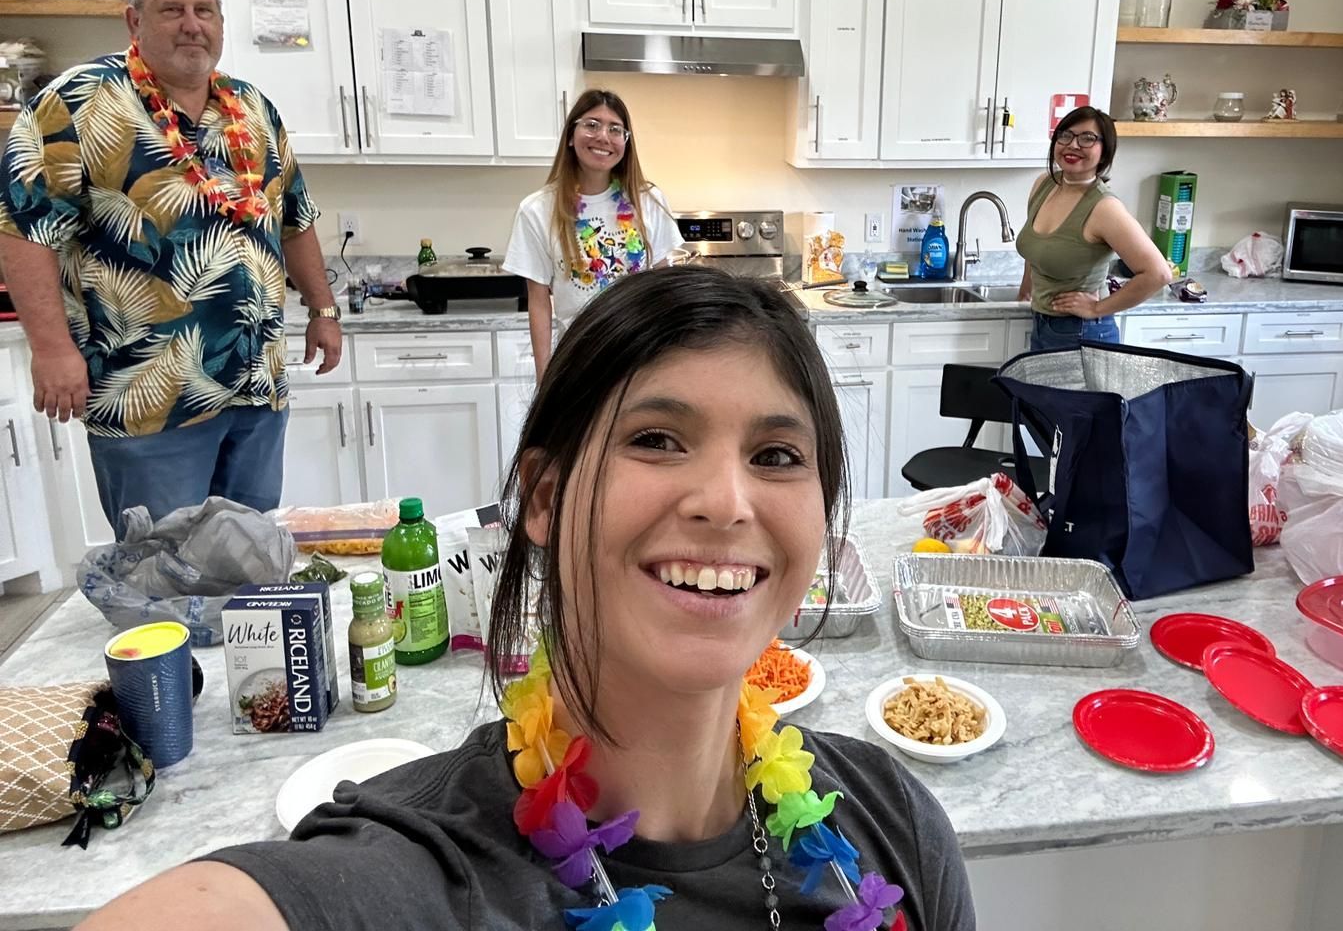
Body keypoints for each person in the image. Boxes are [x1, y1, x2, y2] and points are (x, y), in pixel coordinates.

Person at [79, 267, 977, 931]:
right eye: (658, 438)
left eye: (777, 456)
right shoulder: (435, 870)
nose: (727, 501)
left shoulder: (893, 822)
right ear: (543, 498)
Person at [0, 0, 341, 529]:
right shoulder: (75, 104)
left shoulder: (252, 109)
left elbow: (295, 216)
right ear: (135, 22)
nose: (192, 24)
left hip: (255, 387)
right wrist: (53, 350)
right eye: (172, 10)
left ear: (221, 24)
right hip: (146, 396)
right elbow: (22, 229)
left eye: (204, 11)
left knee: (248, 569)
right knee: (162, 573)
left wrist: (323, 308)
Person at [503, 90, 683, 381]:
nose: (603, 136)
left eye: (615, 129)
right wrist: (544, 379)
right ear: (571, 137)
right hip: (578, 363)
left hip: (641, 359)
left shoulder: (648, 201)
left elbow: (663, 286)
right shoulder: (537, 210)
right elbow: (538, 301)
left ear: (625, 143)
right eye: (592, 124)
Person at [1016, 106, 1171, 351]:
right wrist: (1026, 293)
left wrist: (1097, 308)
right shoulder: (1044, 185)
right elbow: (1037, 252)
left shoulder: (1104, 208)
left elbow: (1158, 274)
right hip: (1043, 324)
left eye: (1087, 138)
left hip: (1082, 333)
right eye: (1065, 135)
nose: (1073, 145)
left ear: (1105, 151)